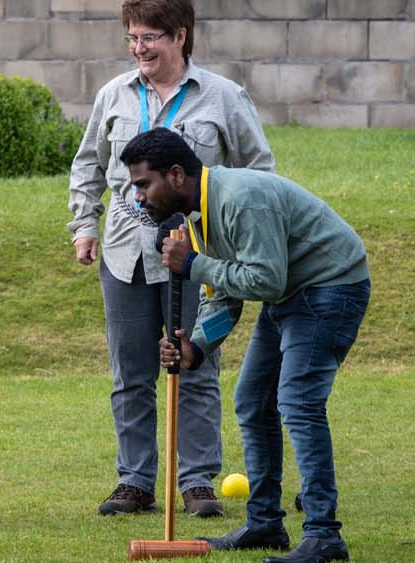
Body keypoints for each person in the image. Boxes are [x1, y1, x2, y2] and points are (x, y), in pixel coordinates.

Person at [66, 0, 275, 518]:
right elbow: (88, 163)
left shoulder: (224, 98)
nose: (139, 49)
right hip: (124, 256)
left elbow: (259, 171)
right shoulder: (113, 95)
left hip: (199, 256)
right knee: (131, 372)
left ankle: (198, 481)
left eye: (149, 38)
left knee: (194, 364)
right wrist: (83, 226)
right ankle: (135, 481)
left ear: (180, 36)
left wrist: (240, 238)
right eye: (132, 38)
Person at [129, 129, 368, 563]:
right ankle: (265, 523)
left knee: (297, 400)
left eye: (144, 184)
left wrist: (195, 264)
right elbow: (225, 296)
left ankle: (324, 535)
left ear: (176, 175)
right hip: (291, 293)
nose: (139, 197)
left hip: (330, 285)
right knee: (254, 401)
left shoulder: (239, 199)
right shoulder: (196, 216)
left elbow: (265, 278)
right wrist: (195, 346)